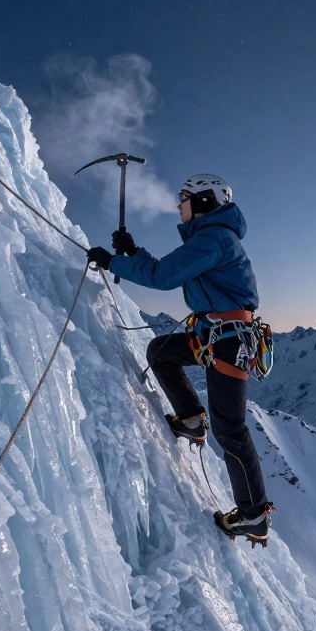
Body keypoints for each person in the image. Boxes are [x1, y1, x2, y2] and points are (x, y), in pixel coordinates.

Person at [87, 174, 272, 546]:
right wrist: (133, 251)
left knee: (230, 429)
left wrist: (113, 262)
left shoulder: (214, 238)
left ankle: (253, 516)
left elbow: (163, 275)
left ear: (203, 202)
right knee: (161, 351)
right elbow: (166, 269)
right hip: (218, 336)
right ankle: (189, 419)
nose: (178, 206)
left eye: (184, 199)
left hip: (228, 341)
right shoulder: (213, 237)